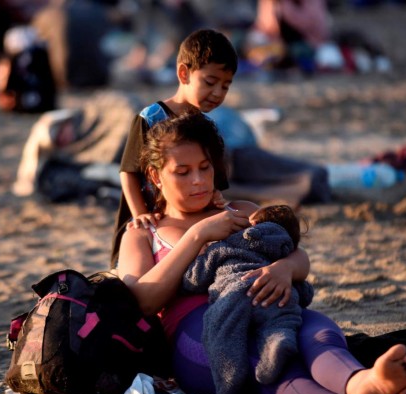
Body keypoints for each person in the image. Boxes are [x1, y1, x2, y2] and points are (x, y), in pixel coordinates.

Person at [116, 111, 406, 394]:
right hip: (200, 337)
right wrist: (198, 235)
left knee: (315, 328)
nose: (198, 180)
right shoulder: (143, 232)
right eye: (182, 172)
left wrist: (283, 269)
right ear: (155, 176)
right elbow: (143, 300)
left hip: (267, 308)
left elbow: (297, 256)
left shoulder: (240, 211)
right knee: (266, 358)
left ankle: (361, 383)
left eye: (205, 167)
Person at [110, 27, 330, 268]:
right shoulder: (151, 117)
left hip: (189, 219)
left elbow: (216, 180)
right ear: (184, 74)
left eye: (225, 86)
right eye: (210, 82)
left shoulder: (207, 125)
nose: (217, 93)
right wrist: (141, 214)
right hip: (152, 219)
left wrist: (214, 195)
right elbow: (128, 171)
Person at [182, 204, 314, 394]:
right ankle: (279, 341)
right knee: (282, 322)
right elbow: (305, 291)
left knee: (222, 333)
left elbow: (193, 279)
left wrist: (204, 251)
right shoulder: (284, 250)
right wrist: (301, 292)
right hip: (275, 292)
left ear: (253, 224)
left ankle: (230, 383)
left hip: (234, 292)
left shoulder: (226, 245)